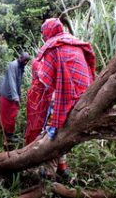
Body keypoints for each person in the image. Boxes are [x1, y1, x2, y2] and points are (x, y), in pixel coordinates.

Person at [25, 18, 96, 176]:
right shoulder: (74, 42)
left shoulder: (53, 46)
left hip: (68, 97)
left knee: (53, 131)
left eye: (44, 33)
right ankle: (62, 168)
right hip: (87, 96)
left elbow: (46, 80)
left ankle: (48, 173)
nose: (44, 37)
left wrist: (38, 72)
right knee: (61, 130)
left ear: (48, 31)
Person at [0, 52, 30, 142]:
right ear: (20, 57)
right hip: (7, 95)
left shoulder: (21, 66)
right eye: (24, 61)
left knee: (12, 116)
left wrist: (19, 96)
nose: (25, 63)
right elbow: (12, 81)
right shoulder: (13, 65)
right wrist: (16, 97)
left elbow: (18, 83)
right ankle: (7, 135)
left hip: (12, 95)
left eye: (26, 62)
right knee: (6, 115)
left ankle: (7, 134)